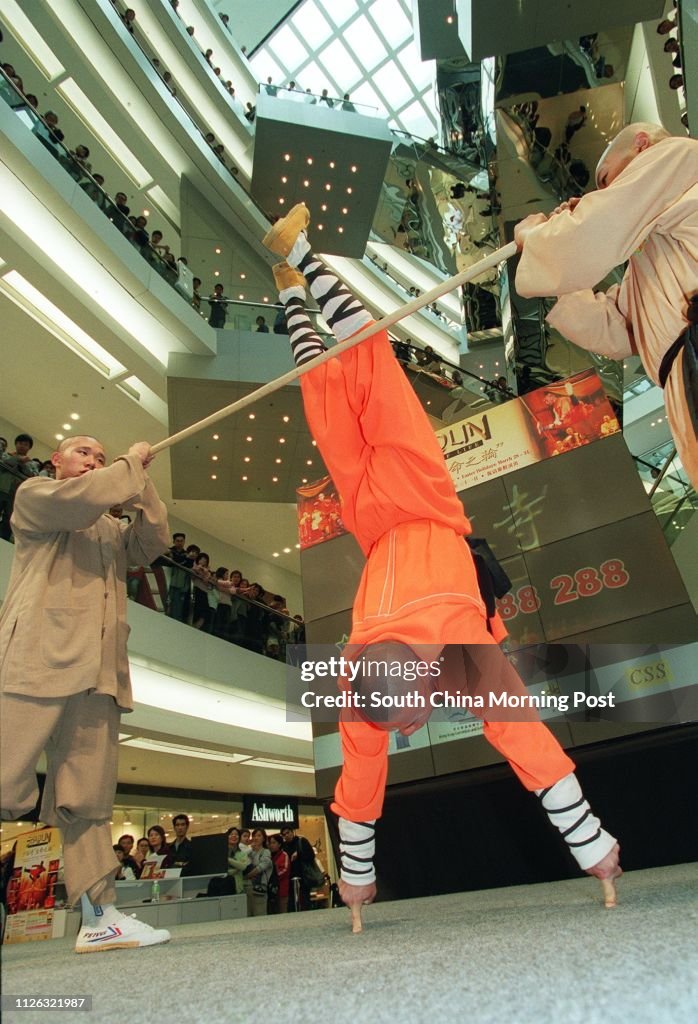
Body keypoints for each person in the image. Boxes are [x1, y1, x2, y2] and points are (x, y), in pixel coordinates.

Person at [262, 203, 622, 931]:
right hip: (384, 510)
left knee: (357, 369)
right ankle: (293, 284)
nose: (404, 733)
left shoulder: (424, 656)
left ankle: (298, 266)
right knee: (339, 384)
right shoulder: (379, 671)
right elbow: (382, 769)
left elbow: (380, 774)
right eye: (407, 724)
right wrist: (593, 846)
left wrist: (595, 845)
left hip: (408, 504)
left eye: (406, 722)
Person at [0, 434, 171, 952]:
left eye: (100, 457)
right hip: (37, 656)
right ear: (57, 460)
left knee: (87, 800)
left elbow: (153, 541)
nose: (93, 461)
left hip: (99, 675)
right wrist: (125, 464)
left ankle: (100, 917)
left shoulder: (111, 530)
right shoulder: (36, 496)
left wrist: (142, 488)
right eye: (83, 453)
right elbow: (79, 501)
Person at [515, 123, 698, 490]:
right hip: (680, 373)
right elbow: (614, 329)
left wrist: (537, 235)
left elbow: (598, 227)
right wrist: (560, 244)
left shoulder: (676, 154)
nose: (605, 191)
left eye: (604, 179)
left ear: (641, 145)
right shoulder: (649, 254)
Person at [280, 825, 315, 912]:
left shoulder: (301, 841)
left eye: (288, 833)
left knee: (304, 900)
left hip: (304, 875)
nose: (286, 836)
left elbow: (311, 855)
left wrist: (298, 854)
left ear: (292, 832)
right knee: (292, 901)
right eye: (284, 835)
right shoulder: (284, 846)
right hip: (290, 877)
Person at [245, 828, 272, 916]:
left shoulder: (266, 852)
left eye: (259, 836)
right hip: (248, 888)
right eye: (254, 836)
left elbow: (261, 867)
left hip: (260, 889)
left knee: (259, 914)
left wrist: (247, 876)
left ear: (264, 838)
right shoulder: (250, 851)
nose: (256, 838)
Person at [268, 833, 290, 913]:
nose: (271, 845)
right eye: (270, 843)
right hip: (271, 891)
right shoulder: (268, 856)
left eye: (274, 843)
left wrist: (273, 878)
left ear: (279, 844)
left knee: (282, 911)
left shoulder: (284, 855)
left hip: (281, 890)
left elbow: (285, 870)